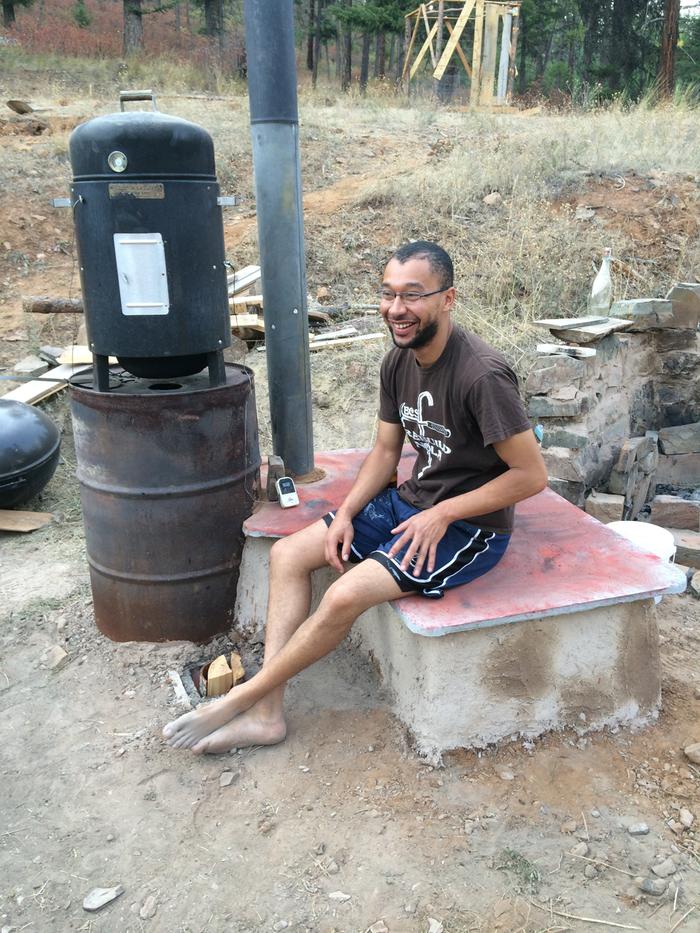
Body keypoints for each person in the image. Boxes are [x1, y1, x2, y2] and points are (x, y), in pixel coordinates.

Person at [163, 241, 547, 755]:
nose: (396, 309)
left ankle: (244, 697)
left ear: (448, 298)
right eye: (388, 295)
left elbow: (531, 475)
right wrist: (344, 512)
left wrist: (446, 512)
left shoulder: (482, 375)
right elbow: (386, 451)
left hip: (468, 528)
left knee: (342, 595)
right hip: (411, 503)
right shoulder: (398, 361)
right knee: (287, 554)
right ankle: (267, 714)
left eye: (413, 295)